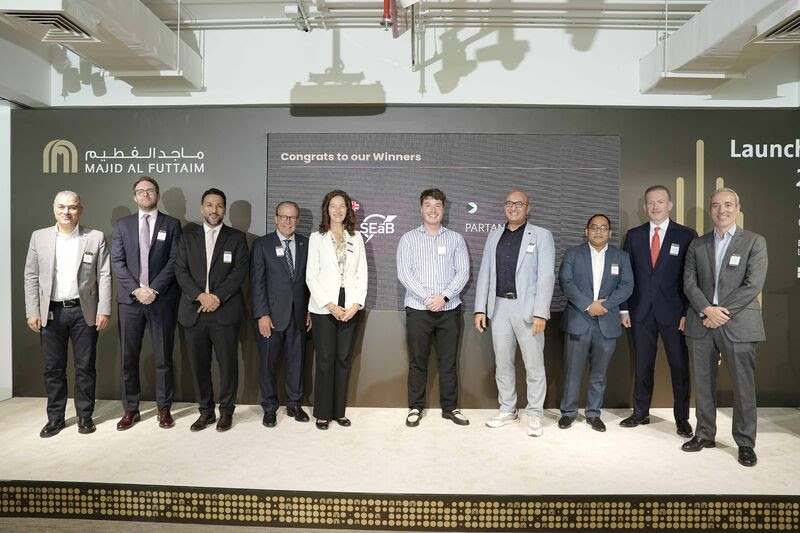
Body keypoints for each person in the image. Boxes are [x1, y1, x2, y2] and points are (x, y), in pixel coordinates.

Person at [681, 187, 767, 467]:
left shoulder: (754, 242)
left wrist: (721, 312)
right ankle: (705, 434)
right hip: (702, 322)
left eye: (728, 205)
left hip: (738, 323)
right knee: (703, 384)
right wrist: (707, 310)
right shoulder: (698, 244)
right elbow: (689, 283)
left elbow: (753, 285)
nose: (722, 210)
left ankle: (745, 442)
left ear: (738, 208)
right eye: (716, 205)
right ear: (711, 210)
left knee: (744, 387)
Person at [24, 191, 111, 437]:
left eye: (72, 207)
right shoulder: (39, 237)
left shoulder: (94, 237)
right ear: (54, 209)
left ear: (80, 210)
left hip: (85, 312)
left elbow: (104, 274)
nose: (66, 212)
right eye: (61, 207)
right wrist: (33, 310)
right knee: (53, 368)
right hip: (51, 312)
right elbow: (30, 275)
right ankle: (56, 418)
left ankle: (85, 417)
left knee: (85, 367)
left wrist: (104, 309)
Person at [474, 191, 555, 436]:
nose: (513, 207)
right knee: (503, 363)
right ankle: (508, 409)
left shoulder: (541, 235)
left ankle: (534, 413)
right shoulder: (494, 235)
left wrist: (541, 312)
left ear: (528, 208)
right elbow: (485, 273)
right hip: (498, 308)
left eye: (519, 204)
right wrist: (480, 308)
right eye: (509, 203)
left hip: (528, 310)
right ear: (504, 207)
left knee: (534, 365)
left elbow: (546, 277)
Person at [619, 185, 696, 437]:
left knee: (679, 367)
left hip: (675, 314)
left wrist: (687, 312)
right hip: (640, 312)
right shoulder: (634, 235)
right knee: (643, 365)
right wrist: (624, 309)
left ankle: (682, 418)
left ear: (670, 205)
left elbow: (690, 278)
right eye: (650, 203)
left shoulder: (686, 235)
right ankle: (640, 413)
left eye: (660, 202)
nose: (655, 207)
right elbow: (625, 275)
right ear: (644, 207)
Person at [111, 177, 182, 430]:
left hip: (161, 299)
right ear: (134, 196)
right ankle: (131, 409)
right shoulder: (123, 225)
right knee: (129, 358)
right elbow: (117, 262)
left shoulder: (172, 224)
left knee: (163, 357)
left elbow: (175, 260)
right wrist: (136, 290)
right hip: (130, 302)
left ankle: (164, 409)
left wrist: (153, 289)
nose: (145, 194)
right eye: (140, 191)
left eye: (149, 190)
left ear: (157, 194)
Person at [174, 188, 248, 432]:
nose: (213, 210)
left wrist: (216, 297)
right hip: (194, 312)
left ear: (224, 210)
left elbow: (239, 272)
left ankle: (226, 412)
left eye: (218, 206)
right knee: (199, 366)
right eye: (209, 205)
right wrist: (200, 296)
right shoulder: (187, 237)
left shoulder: (236, 238)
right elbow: (180, 272)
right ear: (201, 208)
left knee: (227, 365)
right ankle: (205, 412)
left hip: (224, 312)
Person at [397, 188, 470, 427]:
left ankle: (450, 408)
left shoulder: (456, 239)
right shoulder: (408, 238)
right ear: (421, 209)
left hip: (449, 310)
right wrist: (429, 298)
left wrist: (445, 297)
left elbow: (463, 272)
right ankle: (415, 407)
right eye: (428, 205)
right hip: (418, 309)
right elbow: (404, 274)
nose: (433, 210)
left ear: (443, 209)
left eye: (437, 205)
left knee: (448, 362)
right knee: (417, 361)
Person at [558, 214, 633, 432]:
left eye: (603, 228)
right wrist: (589, 305)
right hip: (578, 319)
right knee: (572, 371)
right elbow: (566, 281)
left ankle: (593, 413)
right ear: (586, 231)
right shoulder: (573, 253)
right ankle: (568, 413)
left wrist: (605, 305)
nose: (598, 231)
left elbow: (627, 286)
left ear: (610, 232)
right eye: (594, 227)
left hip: (607, 322)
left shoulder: (621, 257)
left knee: (599, 373)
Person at [306, 190, 368, 430]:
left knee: (343, 359)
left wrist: (355, 305)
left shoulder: (357, 237)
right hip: (324, 306)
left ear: (348, 210)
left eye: (342, 206)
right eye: (333, 206)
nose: (338, 210)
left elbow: (362, 273)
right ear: (327, 209)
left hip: (350, 303)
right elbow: (311, 275)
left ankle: (338, 411)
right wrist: (330, 305)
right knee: (325, 359)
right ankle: (322, 412)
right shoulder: (317, 238)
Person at [250, 201, 311, 427]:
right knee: (268, 363)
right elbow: (256, 283)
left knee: (296, 362)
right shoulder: (262, 245)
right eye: (284, 217)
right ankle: (269, 407)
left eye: (293, 217)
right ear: (276, 218)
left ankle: (294, 404)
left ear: (297, 220)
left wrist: (309, 310)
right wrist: (262, 314)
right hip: (271, 317)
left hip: (298, 315)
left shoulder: (306, 243)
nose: (288, 221)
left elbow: (309, 281)